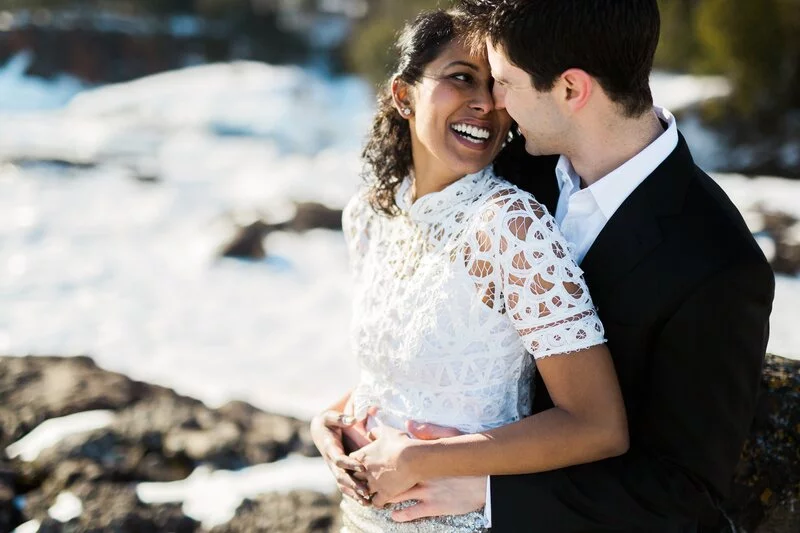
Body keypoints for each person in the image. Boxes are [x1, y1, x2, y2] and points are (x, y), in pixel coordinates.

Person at [341, 1, 776, 532]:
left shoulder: (719, 264)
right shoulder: (514, 161)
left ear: (571, 90)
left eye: (503, 81)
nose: (492, 104)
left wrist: (488, 494)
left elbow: (684, 495)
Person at [310, 7, 633, 533]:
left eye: (497, 86)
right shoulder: (369, 215)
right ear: (402, 95)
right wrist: (326, 420)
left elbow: (597, 426)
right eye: (461, 77)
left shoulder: (511, 226)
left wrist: (418, 460)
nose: (485, 104)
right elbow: (401, 372)